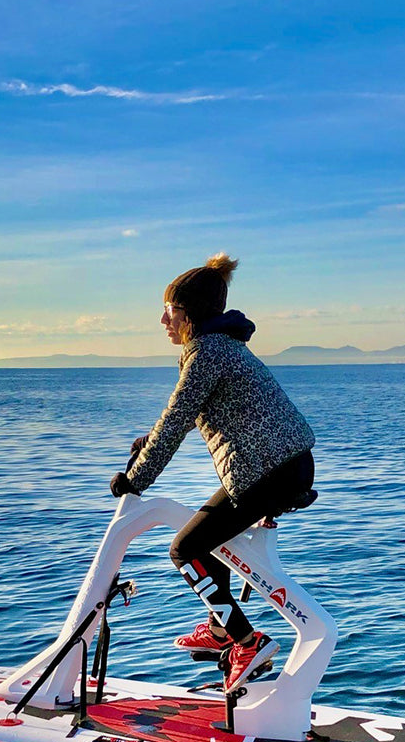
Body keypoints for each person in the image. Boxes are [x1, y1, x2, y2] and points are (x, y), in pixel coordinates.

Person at [109, 254, 316, 691]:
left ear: (190, 314)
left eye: (170, 308)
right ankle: (220, 629)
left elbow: (177, 419)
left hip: (267, 472)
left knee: (185, 550)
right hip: (279, 467)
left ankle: (246, 640)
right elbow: (181, 414)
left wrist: (135, 479)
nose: (163, 318)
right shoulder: (221, 347)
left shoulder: (206, 351)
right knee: (209, 539)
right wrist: (149, 441)